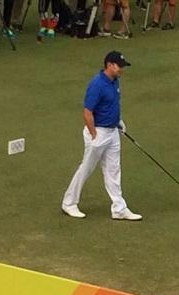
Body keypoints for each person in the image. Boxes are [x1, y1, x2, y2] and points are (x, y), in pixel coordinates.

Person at [62, 51, 142, 221]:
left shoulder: (115, 81)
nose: (122, 70)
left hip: (112, 132)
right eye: (119, 66)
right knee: (86, 168)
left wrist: (118, 121)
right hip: (98, 132)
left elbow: (112, 104)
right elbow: (87, 112)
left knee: (114, 170)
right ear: (110, 65)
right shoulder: (97, 85)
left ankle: (119, 208)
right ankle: (69, 203)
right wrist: (93, 135)